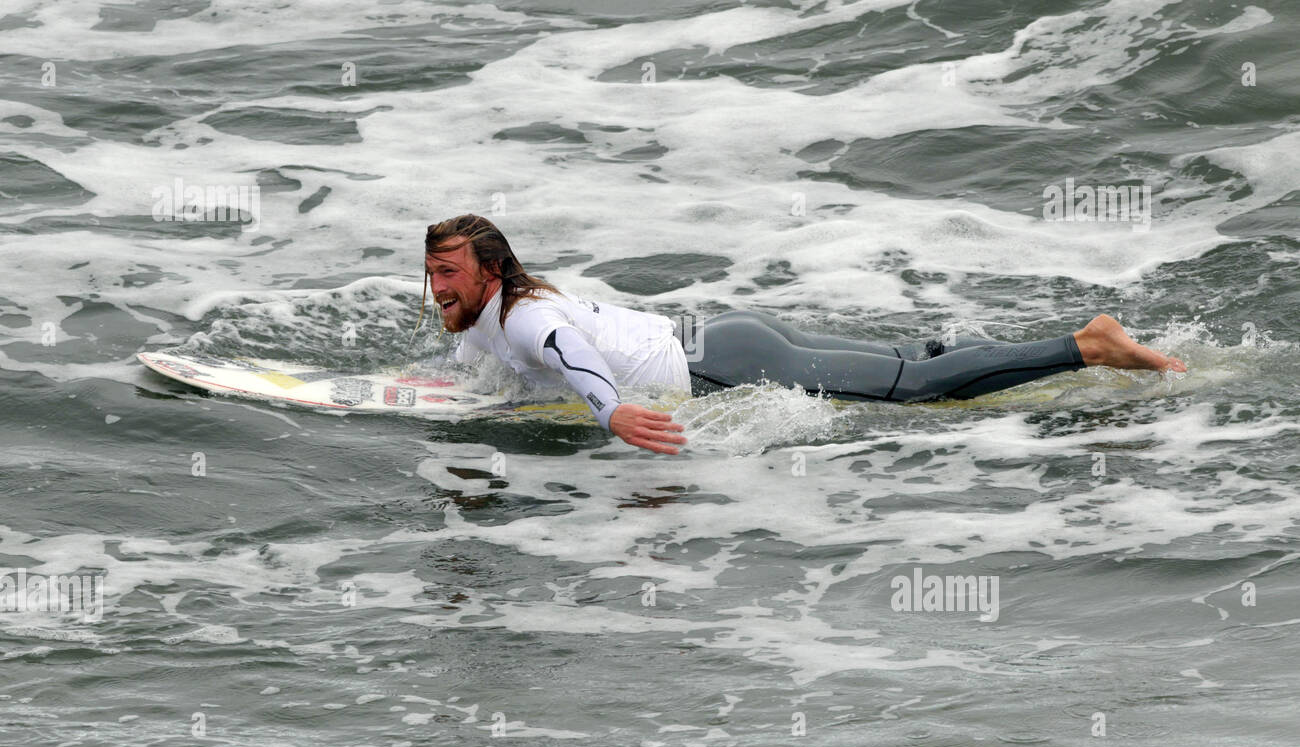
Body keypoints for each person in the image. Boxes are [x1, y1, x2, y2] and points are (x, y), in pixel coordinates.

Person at [415, 214, 1186, 456]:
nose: (438, 286)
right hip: (721, 340)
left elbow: (565, 354)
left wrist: (609, 410)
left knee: (918, 394)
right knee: (913, 366)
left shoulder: (526, 315)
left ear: (491, 270)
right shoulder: (488, 312)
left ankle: (1087, 345)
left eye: (449, 272)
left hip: (731, 366)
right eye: (431, 271)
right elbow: (500, 368)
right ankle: (1030, 345)